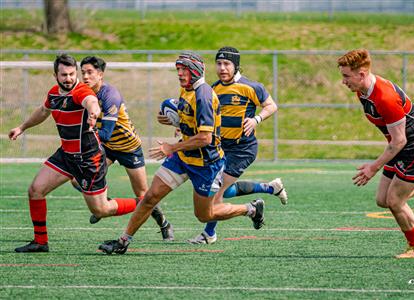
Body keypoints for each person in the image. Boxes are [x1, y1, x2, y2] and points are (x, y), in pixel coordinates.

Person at [98, 51, 266, 255]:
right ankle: (123, 241)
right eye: (178, 69)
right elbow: (190, 121)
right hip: (183, 159)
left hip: (206, 165)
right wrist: (173, 119)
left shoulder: (203, 95)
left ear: (195, 70)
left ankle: (250, 209)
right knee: (150, 197)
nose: (179, 73)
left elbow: (206, 138)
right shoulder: (187, 89)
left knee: (205, 215)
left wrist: (171, 148)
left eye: (183, 69)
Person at [8, 54, 139, 252]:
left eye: (71, 74)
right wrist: (22, 127)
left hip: (88, 159)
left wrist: (94, 112)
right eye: (64, 75)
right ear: (55, 75)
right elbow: (43, 111)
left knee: (100, 210)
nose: (68, 78)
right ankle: (40, 242)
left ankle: (144, 204)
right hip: (66, 155)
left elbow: (90, 102)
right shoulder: (54, 93)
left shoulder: (81, 91)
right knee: (35, 190)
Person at [337, 49, 414, 258]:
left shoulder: (384, 97)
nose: (343, 81)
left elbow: (400, 140)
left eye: (346, 76)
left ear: (362, 74)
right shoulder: (362, 91)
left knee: (395, 201)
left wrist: (373, 168)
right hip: (401, 148)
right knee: (383, 200)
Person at [188, 46, 287, 244]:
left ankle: (209, 233)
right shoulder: (214, 89)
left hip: (242, 149)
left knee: (215, 193)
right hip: (220, 148)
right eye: (219, 63)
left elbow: (271, 106)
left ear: (236, 65)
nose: (222, 68)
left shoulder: (251, 87)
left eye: (227, 64)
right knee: (223, 189)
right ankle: (270, 188)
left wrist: (256, 119)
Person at [75, 56, 173, 241]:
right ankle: (104, 204)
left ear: (100, 75)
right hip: (106, 147)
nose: (85, 77)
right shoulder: (83, 93)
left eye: (90, 72)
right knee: (77, 178)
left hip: (128, 147)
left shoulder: (110, 95)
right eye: (83, 73)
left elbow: (106, 133)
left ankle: (164, 223)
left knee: (144, 195)